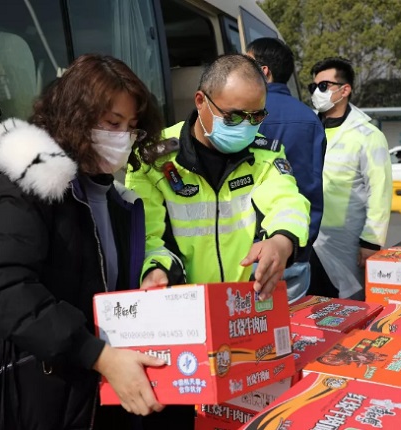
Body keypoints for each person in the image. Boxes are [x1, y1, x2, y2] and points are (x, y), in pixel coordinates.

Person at [0, 54, 167, 430]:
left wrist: (148, 277)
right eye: (112, 123)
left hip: (74, 392)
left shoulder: (114, 198)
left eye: (132, 127)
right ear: (77, 115)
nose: (123, 137)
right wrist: (97, 354)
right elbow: (1, 285)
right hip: (14, 393)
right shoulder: (28, 182)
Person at [125, 54, 311, 427]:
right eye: (234, 116)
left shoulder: (264, 152)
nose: (246, 127)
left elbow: (288, 202)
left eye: (256, 116)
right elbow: (146, 235)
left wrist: (282, 241)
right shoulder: (154, 158)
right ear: (201, 101)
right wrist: (155, 270)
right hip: (178, 320)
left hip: (243, 319)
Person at [246, 37, 326, 303]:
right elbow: (311, 185)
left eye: (246, 64)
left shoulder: (244, 113)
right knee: (290, 325)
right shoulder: (310, 118)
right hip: (295, 247)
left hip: (250, 252)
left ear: (264, 71)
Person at [307, 57, 392, 300]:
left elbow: (380, 191)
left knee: (347, 306)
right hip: (307, 236)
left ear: (345, 90)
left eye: (324, 86)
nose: (317, 92)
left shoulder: (368, 135)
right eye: (314, 87)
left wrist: (371, 242)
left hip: (346, 241)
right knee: (308, 308)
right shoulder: (307, 128)